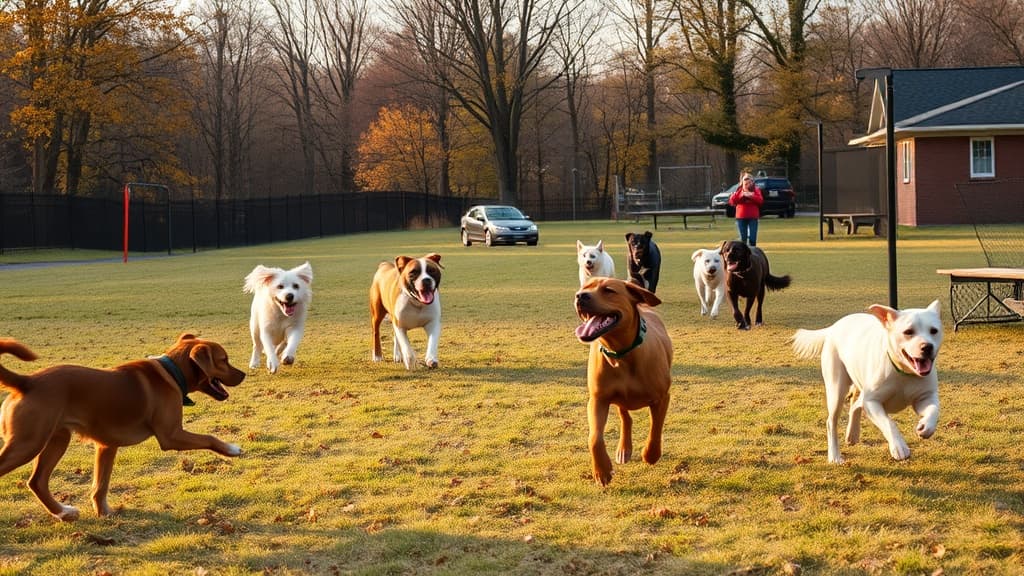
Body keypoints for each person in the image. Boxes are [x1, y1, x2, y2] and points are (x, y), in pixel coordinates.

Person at [729, 172, 764, 246]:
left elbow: (760, 201)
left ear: (752, 181)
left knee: (753, 239)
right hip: (741, 217)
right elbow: (732, 201)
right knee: (743, 239)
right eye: (745, 179)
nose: (747, 182)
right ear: (742, 181)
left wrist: (752, 196)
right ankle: (743, 251)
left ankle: (752, 251)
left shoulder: (756, 190)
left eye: (749, 179)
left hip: (753, 217)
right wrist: (742, 195)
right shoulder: (739, 190)